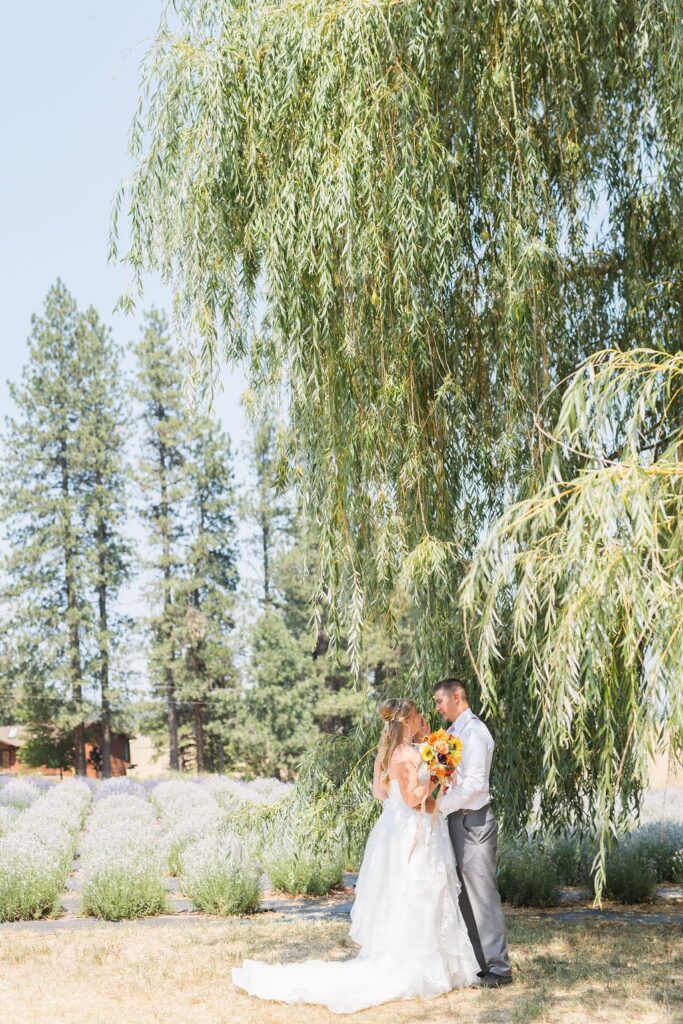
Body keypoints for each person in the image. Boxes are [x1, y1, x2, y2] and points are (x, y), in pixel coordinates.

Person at [232, 697, 479, 1014]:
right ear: (405, 721)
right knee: (416, 892)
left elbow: (380, 793)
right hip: (412, 833)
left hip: (399, 829)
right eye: (418, 715)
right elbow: (413, 797)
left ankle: (427, 961)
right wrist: (437, 768)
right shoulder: (404, 756)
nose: (423, 718)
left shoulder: (389, 751)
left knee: (410, 893)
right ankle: (418, 965)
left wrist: (430, 757)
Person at [435, 677, 513, 988]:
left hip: (474, 822)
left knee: (482, 895)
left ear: (456, 697)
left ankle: (500, 969)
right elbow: (446, 775)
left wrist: (439, 806)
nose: (437, 708)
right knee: (464, 896)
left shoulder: (477, 733)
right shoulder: (451, 733)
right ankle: (483, 965)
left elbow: (476, 784)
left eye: (440, 701)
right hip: (456, 821)